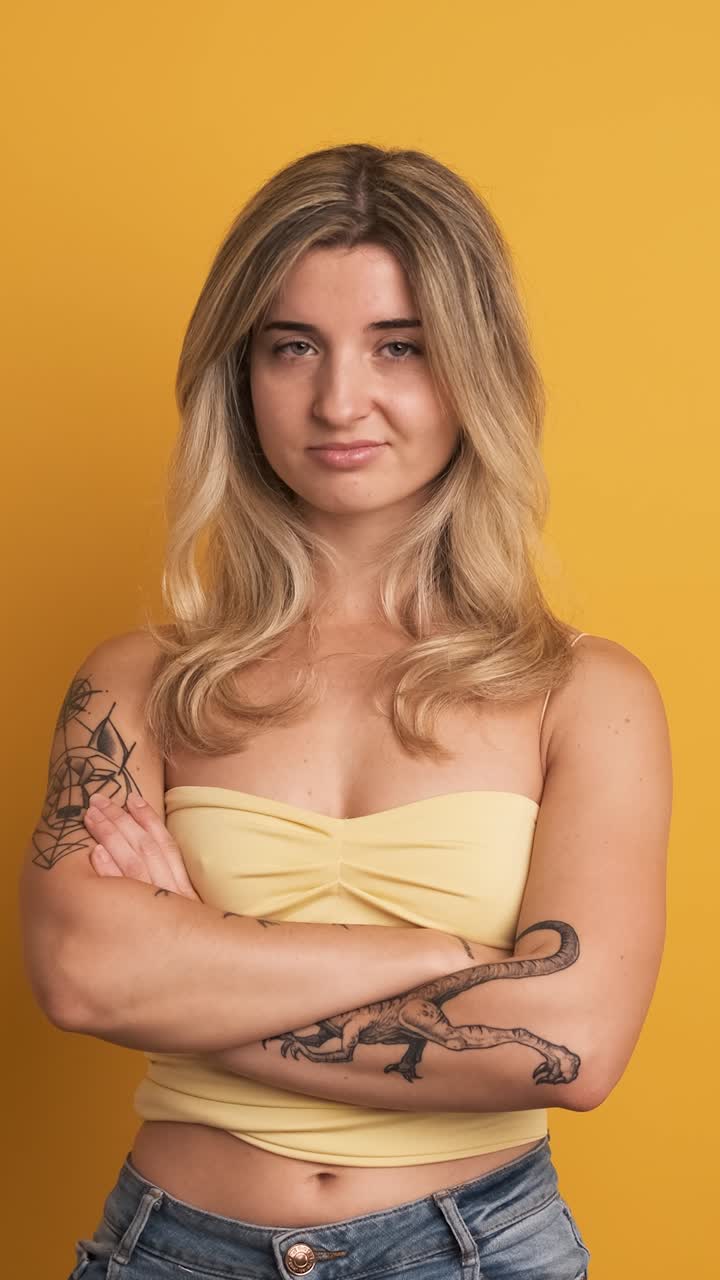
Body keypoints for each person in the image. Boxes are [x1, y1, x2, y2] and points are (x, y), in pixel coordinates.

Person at [19, 143, 672, 1280]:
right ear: (240, 374)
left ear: (473, 367)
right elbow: (82, 973)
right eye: (292, 346)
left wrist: (188, 973)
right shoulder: (139, 682)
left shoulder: (586, 693)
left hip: (479, 1250)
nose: (338, 400)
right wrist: (448, 956)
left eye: (398, 345)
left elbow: (568, 1045)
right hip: (171, 1249)